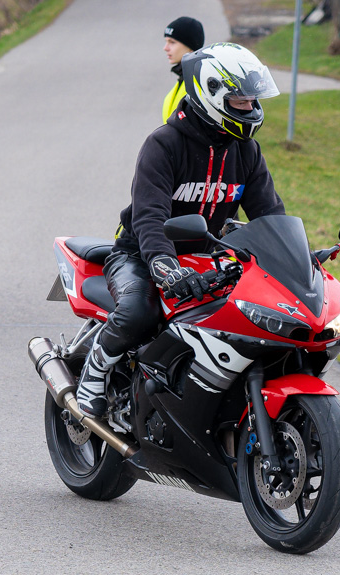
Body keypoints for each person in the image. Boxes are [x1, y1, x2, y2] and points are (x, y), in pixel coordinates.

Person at [77, 43, 285, 417]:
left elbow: (270, 214)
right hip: (140, 254)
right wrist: (163, 264)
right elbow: (150, 216)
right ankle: (93, 374)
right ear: (211, 93)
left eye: (254, 99)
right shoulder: (164, 144)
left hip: (208, 258)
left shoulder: (246, 151)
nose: (251, 108)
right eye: (241, 99)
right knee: (139, 311)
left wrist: (293, 258)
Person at [162, 16, 205, 123]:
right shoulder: (184, 79)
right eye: (166, 42)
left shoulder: (198, 84)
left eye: (172, 42)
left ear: (191, 47)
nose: (165, 48)